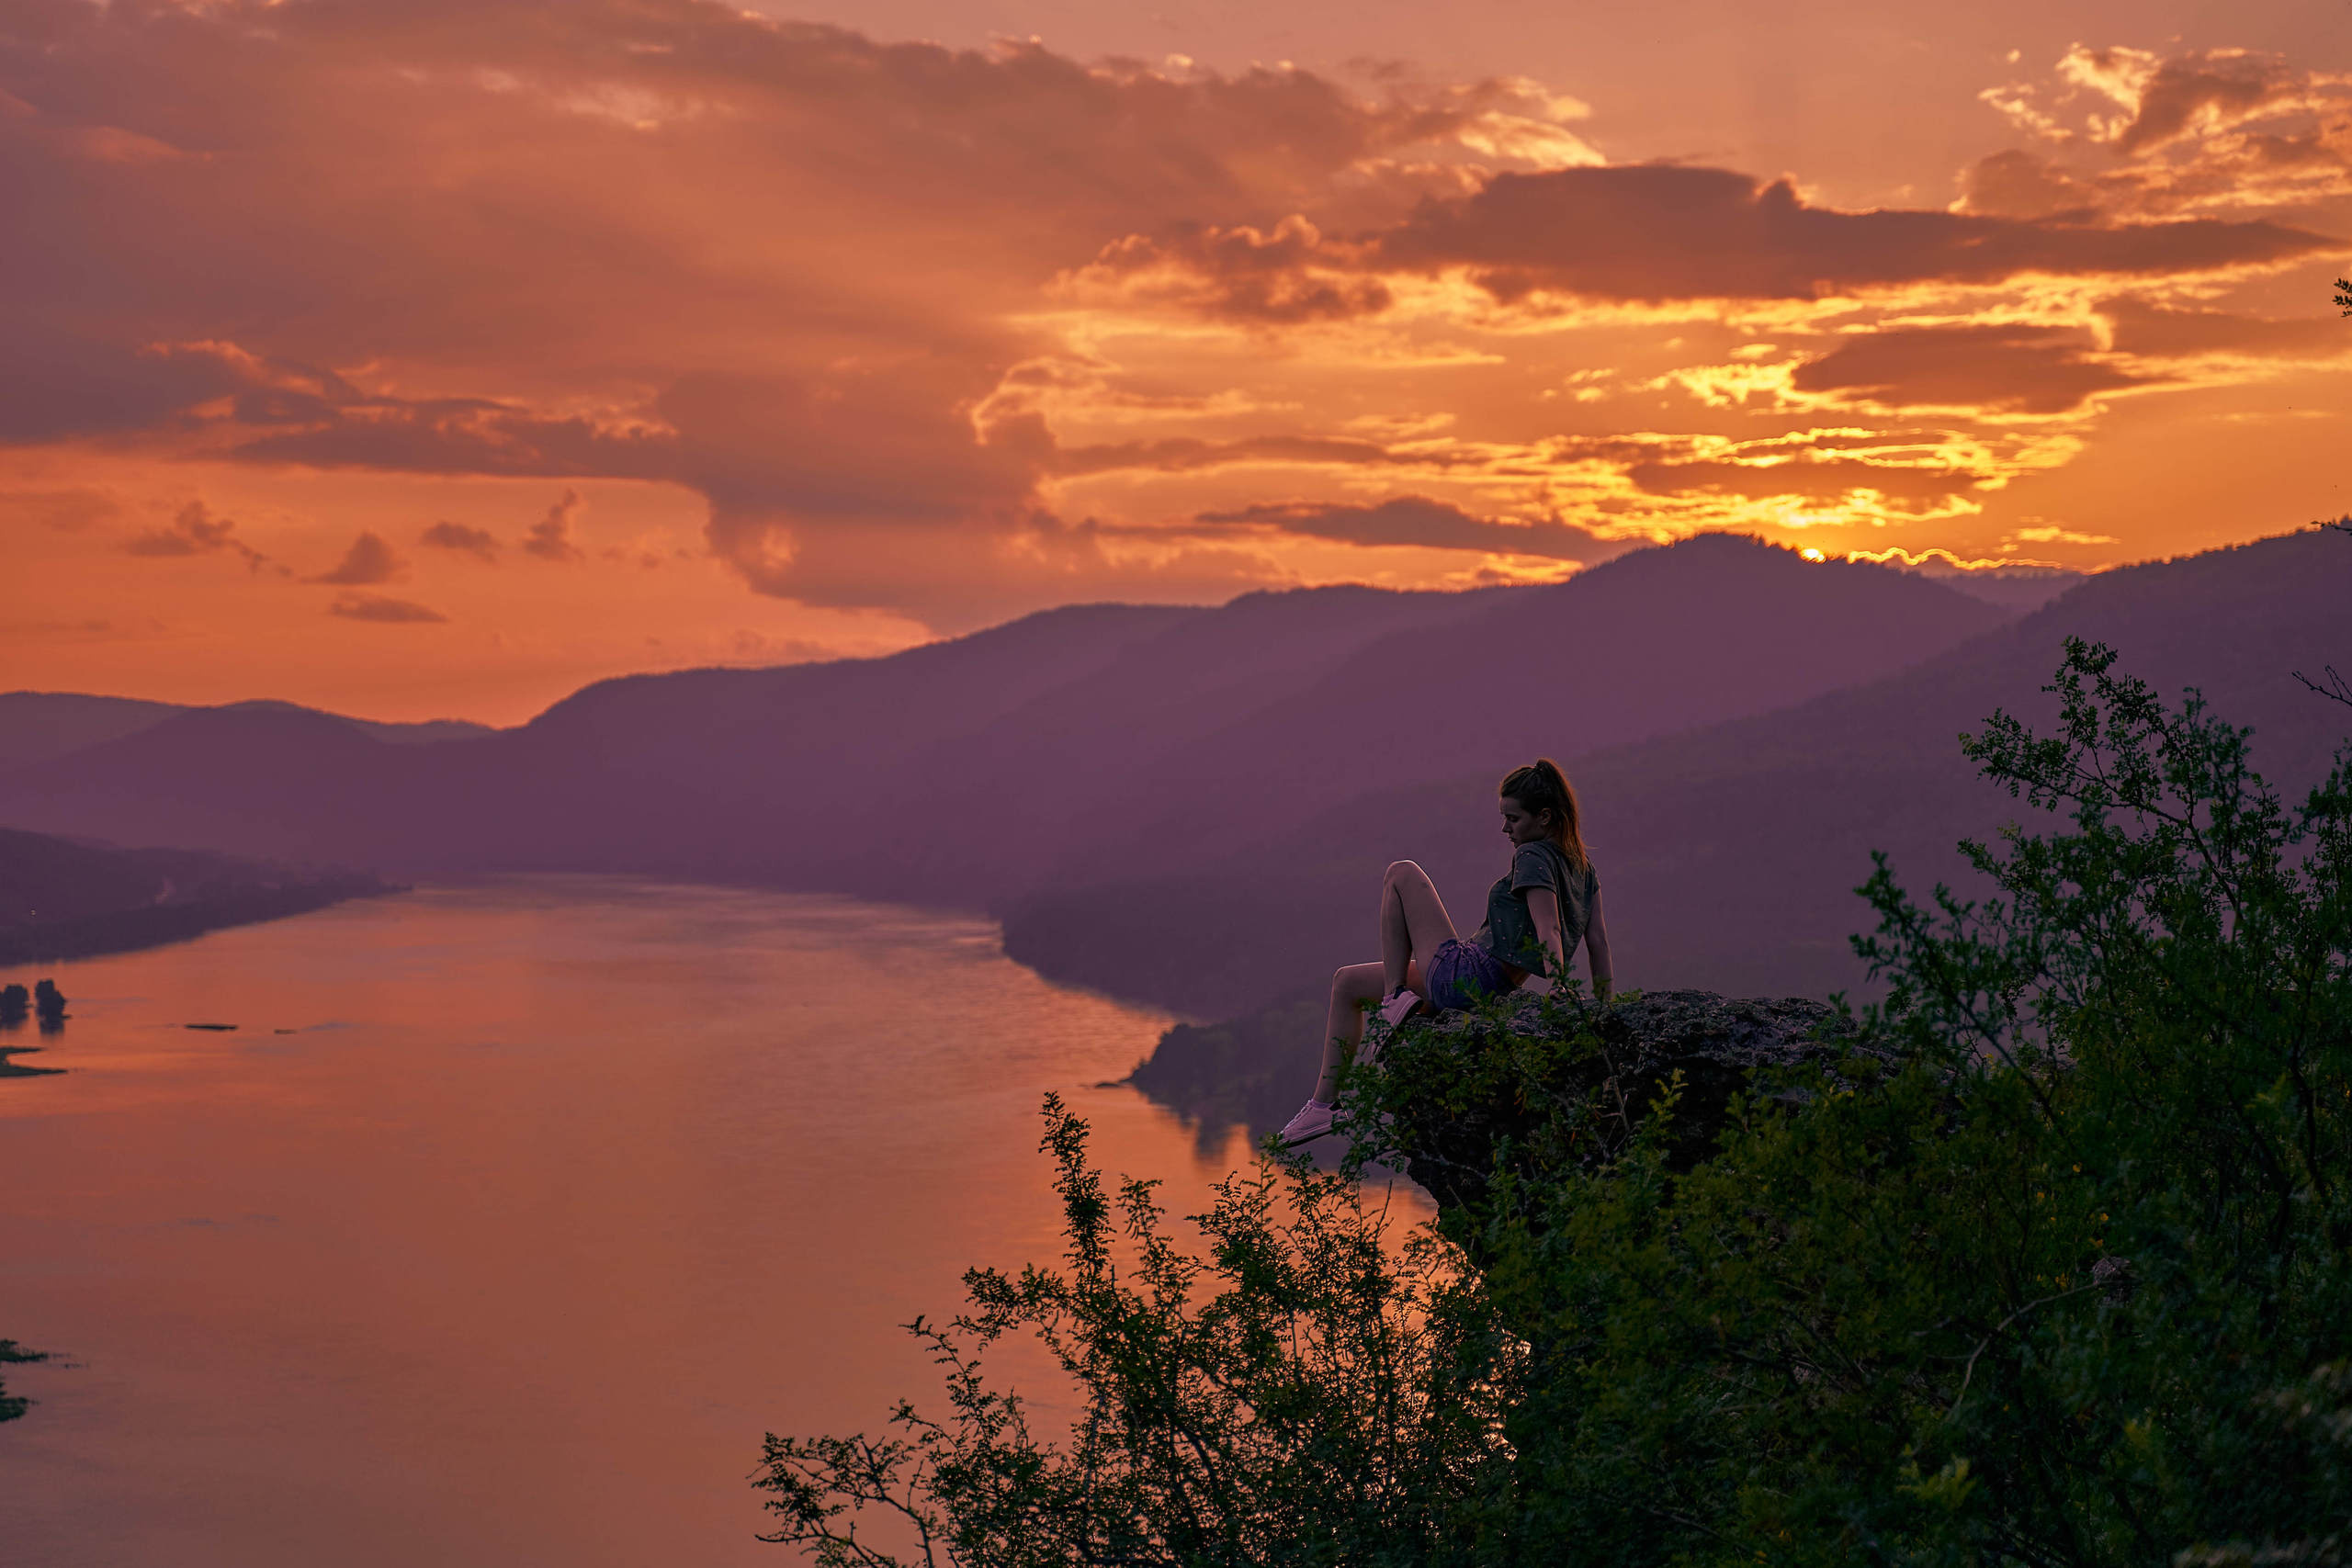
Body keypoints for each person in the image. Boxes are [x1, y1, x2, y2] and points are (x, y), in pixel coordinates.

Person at [1278, 758, 1611, 1147]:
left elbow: (1548, 926)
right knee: (1347, 982)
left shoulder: (1533, 855)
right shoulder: (1584, 870)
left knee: (1401, 873)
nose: (1505, 828)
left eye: (1513, 819)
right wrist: (1604, 1011)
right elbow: (1599, 942)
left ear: (1545, 817)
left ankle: (1393, 997)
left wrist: (1557, 984)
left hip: (1467, 977)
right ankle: (1324, 1107)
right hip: (1483, 986)